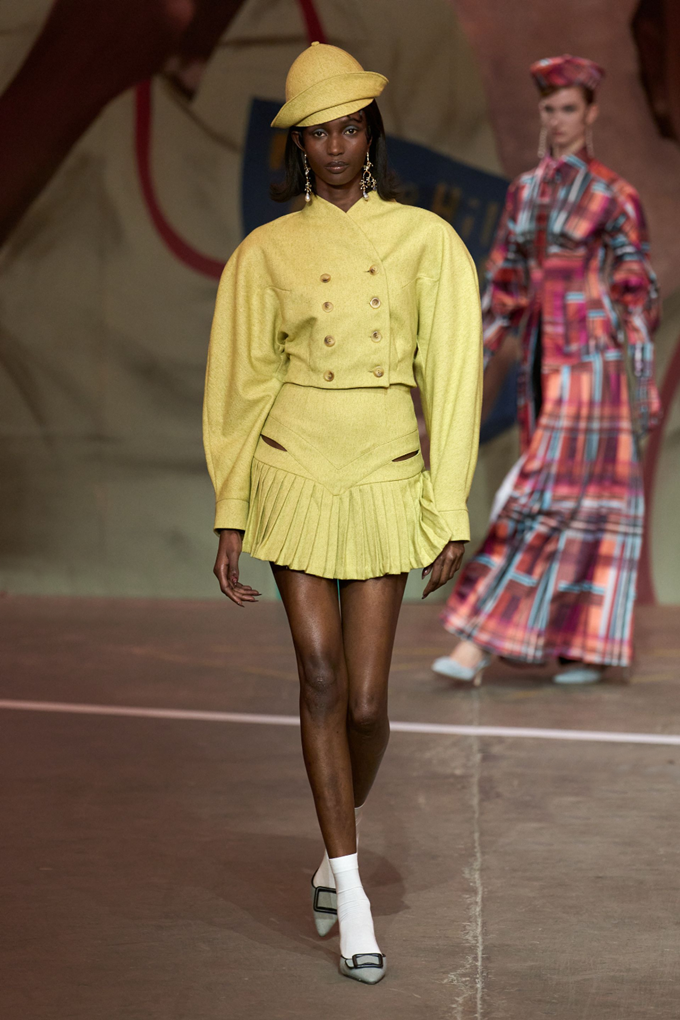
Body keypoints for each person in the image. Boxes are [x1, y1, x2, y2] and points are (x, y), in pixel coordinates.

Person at [203, 43, 482, 983]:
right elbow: (240, 387)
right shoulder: (266, 252)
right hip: (293, 466)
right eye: (318, 131)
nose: (334, 145)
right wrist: (232, 508)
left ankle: (333, 847)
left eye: (349, 127)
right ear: (299, 145)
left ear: (370, 135)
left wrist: (448, 505)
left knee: (367, 701)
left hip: (385, 471)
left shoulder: (426, 241)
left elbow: (453, 378)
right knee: (318, 673)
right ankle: (352, 890)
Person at [433, 54, 661, 687]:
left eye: (568, 108)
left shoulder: (614, 195)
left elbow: (637, 289)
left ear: (590, 114)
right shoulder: (525, 192)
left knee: (550, 496)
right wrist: (474, 356)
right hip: (542, 364)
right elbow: (505, 283)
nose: (557, 119)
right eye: (549, 108)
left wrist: (641, 378)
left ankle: (477, 641)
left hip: (594, 364)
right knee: (577, 500)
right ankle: (582, 645)